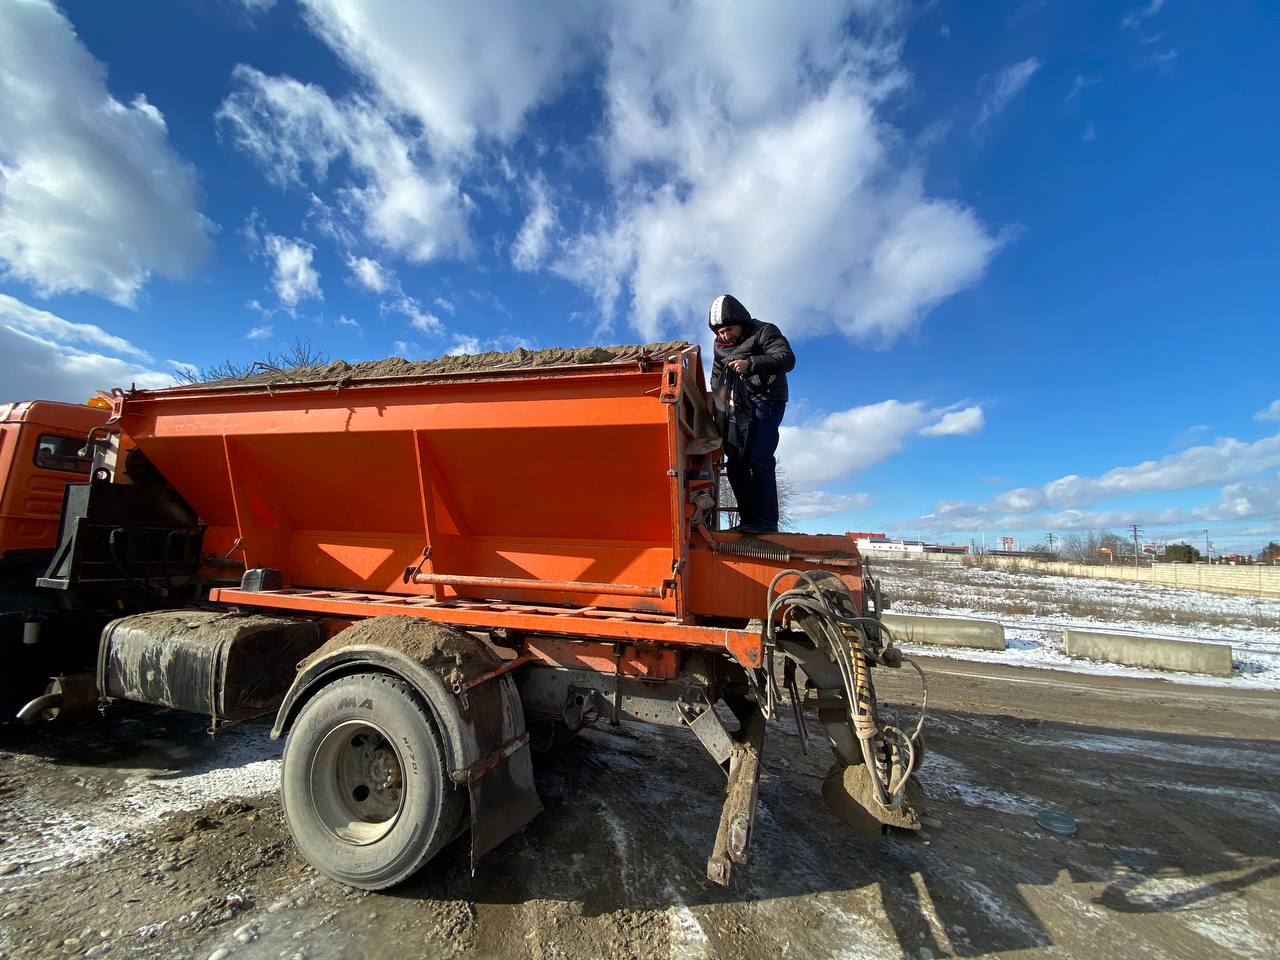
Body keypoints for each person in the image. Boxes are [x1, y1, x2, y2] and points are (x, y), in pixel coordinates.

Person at [708, 293, 795, 534]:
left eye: (729, 329)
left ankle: (766, 522)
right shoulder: (720, 347)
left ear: (742, 322)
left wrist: (751, 364)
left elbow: (786, 359)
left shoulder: (764, 331)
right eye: (720, 332)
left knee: (759, 457)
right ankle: (748, 521)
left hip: (768, 399)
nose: (725, 336)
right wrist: (719, 394)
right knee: (735, 462)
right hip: (739, 406)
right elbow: (716, 376)